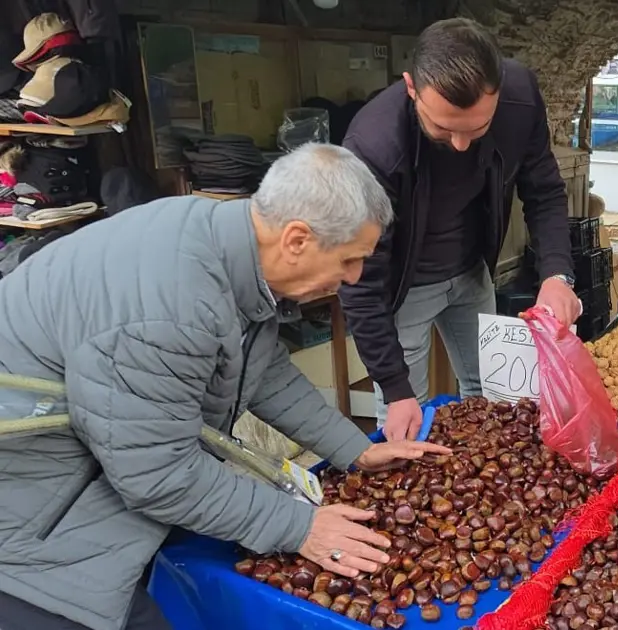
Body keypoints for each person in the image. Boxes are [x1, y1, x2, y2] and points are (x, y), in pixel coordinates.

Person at [0, 143, 451, 630]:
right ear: (297, 239)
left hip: (91, 483)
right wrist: (300, 528)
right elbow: (156, 474)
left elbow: (262, 368)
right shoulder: (169, 306)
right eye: (350, 259)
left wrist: (355, 450)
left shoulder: (225, 245)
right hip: (37, 532)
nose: (355, 277)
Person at [339, 18, 578, 442]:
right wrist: (394, 388)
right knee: (405, 420)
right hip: (403, 288)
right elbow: (359, 277)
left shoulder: (521, 99)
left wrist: (556, 276)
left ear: (500, 91)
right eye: (442, 129)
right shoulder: (374, 145)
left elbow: (544, 192)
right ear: (412, 87)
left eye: (477, 129)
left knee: (497, 403)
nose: (460, 145)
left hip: (472, 270)